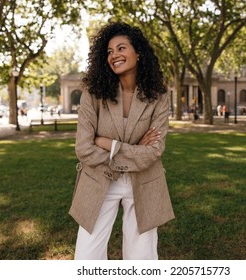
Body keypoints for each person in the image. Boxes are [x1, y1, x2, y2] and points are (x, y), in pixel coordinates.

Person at [69, 22, 175, 260]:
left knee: (142, 259)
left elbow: (154, 151)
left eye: (121, 48)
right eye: (109, 51)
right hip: (99, 178)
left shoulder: (158, 95)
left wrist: (108, 143)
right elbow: (84, 148)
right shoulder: (93, 92)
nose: (114, 55)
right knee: (87, 258)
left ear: (138, 53)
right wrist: (135, 150)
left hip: (145, 181)